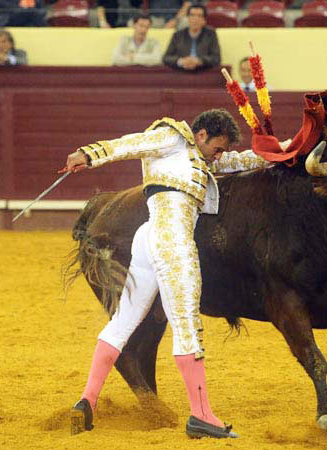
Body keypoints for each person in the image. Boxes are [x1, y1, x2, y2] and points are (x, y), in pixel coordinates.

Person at [65, 109, 272, 438]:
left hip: (148, 238)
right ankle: (201, 415)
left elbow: (242, 161)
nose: (219, 155)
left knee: (122, 322)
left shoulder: (200, 158)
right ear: (201, 135)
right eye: (216, 147)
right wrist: (89, 155)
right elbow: (131, 144)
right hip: (172, 238)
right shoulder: (173, 137)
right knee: (187, 323)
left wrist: (286, 148)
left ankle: (86, 402)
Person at [162, 4, 220, 71]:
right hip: (181, 73)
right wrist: (181, 61)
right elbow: (166, 58)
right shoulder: (178, 35)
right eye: (192, 15)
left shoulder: (210, 34)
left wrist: (199, 61)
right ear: (187, 18)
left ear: (204, 20)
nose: (195, 19)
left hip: (203, 72)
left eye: (199, 16)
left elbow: (216, 58)